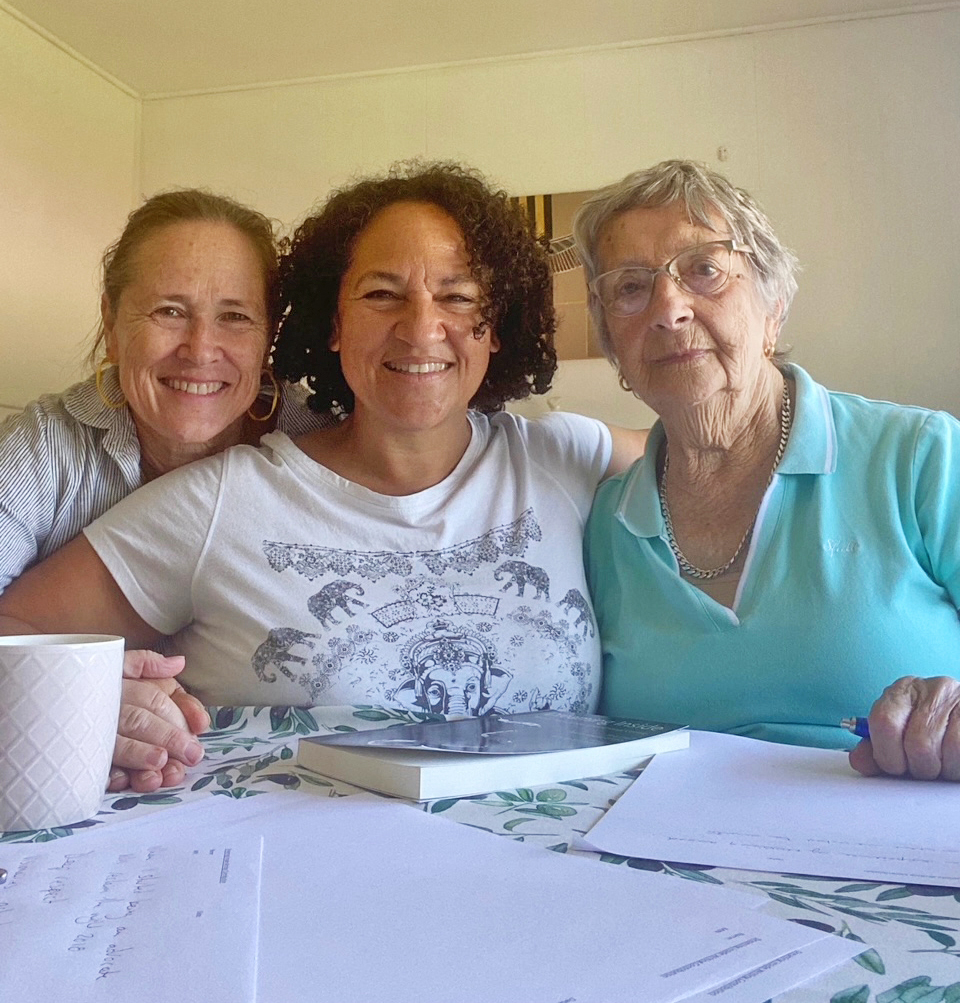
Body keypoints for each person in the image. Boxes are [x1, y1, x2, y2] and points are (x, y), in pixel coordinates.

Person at [0, 163, 645, 734]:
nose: (422, 329)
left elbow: (714, 461)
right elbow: (19, 627)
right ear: (332, 324)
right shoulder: (109, 468)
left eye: (457, 296)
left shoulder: (561, 456)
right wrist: (79, 701)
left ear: (495, 325)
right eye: (382, 294)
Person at [577, 159, 960, 781]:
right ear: (614, 349)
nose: (669, 309)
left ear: (773, 306)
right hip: (670, 856)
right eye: (630, 287)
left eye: (704, 269)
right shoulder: (605, 527)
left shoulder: (920, 457)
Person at [0, 189, 334, 791]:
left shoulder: (323, 441)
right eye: (169, 311)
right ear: (111, 322)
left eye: (235, 315)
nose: (200, 349)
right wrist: (84, 695)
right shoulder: (43, 448)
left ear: (269, 336)